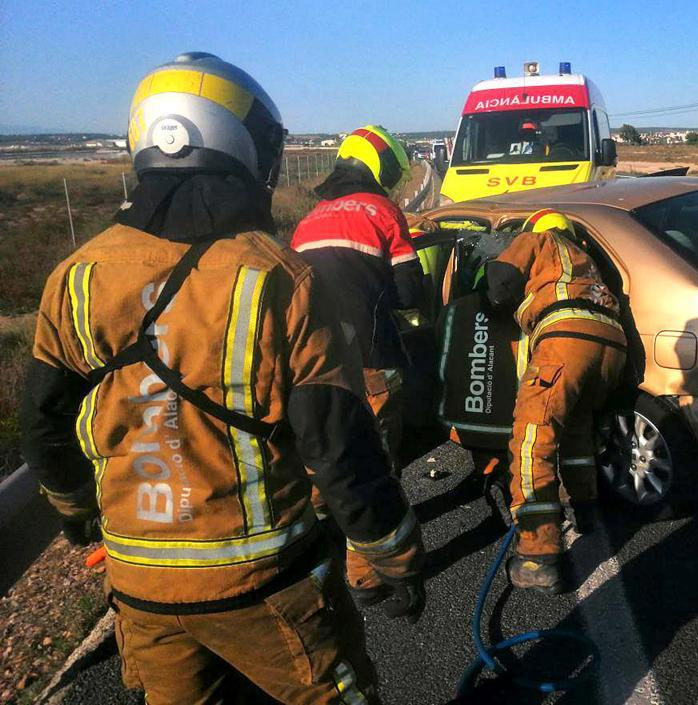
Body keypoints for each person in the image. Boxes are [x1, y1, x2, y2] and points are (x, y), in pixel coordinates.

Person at [20, 52, 423, 705]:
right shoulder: (277, 278)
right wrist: (395, 552)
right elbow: (338, 445)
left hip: (140, 591)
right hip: (264, 582)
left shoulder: (76, 277)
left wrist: (79, 514)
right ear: (243, 149)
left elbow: (43, 427)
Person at [485, 209, 627, 594]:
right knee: (576, 428)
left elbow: (499, 284)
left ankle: (537, 553)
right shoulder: (588, 261)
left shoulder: (537, 240)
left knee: (534, 437)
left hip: (566, 336)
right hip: (613, 346)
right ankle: (586, 508)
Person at [291, 126, 424, 473]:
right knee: (377, 451)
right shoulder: (383, 210)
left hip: (311, 357)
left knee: (325, 447)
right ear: (379, 167)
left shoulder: (308, 220)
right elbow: (409, 293)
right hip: (369, 352)